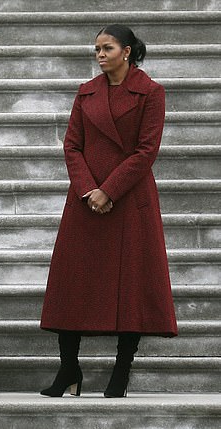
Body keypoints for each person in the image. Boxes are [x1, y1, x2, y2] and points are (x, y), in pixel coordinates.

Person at [39, 24, 178, 398]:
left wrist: (109, 189)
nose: (100, 54)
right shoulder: (86, 93)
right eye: (97, 49)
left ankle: (121, 372)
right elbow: (72, 146)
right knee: (72, 285)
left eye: (107, 48)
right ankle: (69, 369)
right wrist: (89, 190)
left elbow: (146, 151)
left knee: (130, 288)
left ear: (127, 52)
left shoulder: (150, 92)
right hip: (86, 202)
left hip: (129, 200)